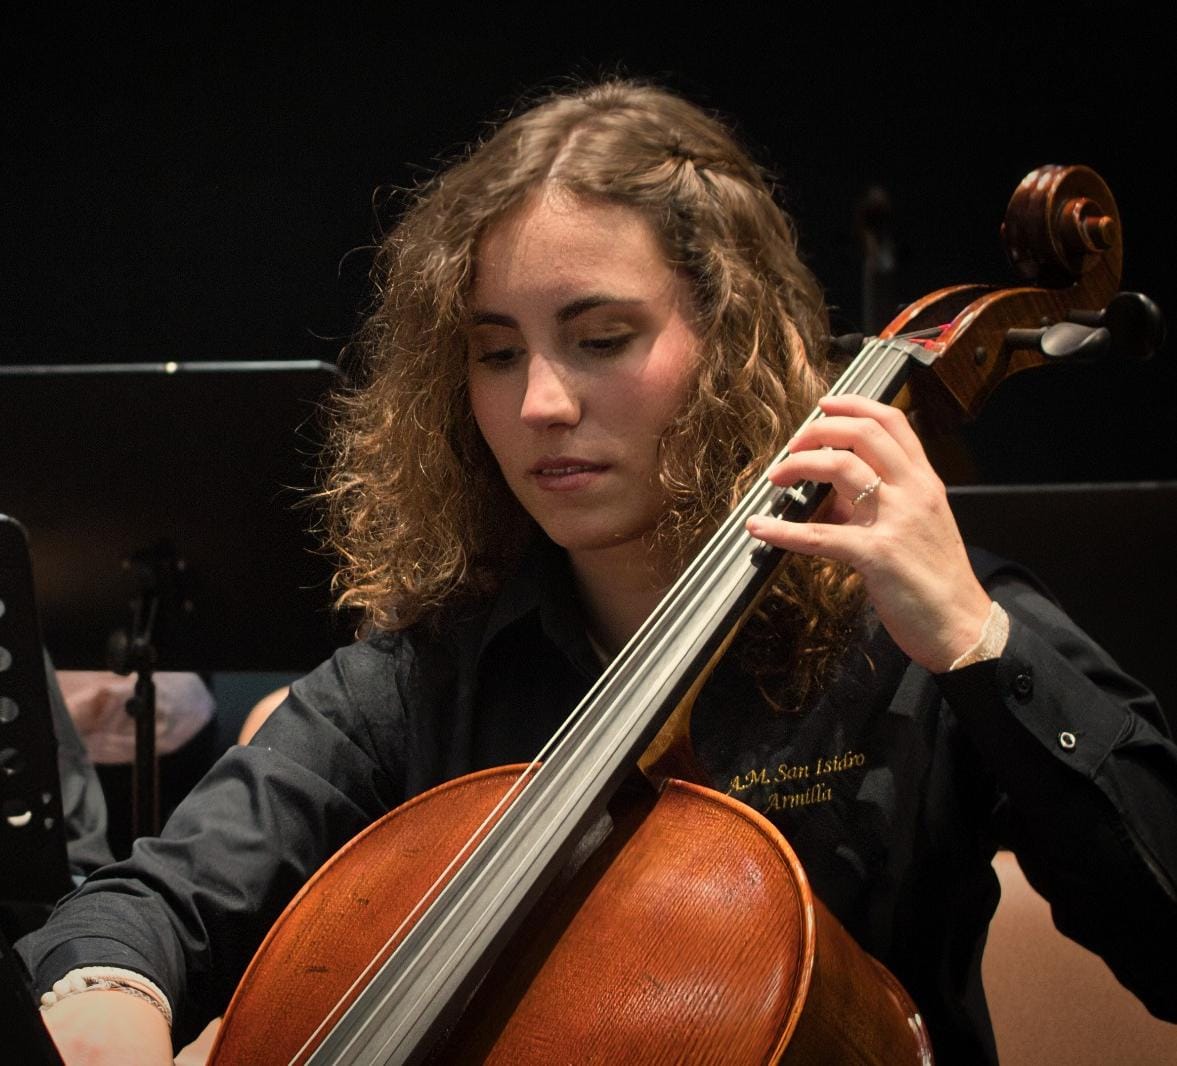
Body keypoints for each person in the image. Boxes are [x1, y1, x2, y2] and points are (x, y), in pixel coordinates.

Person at [18, 79, 1177, 1064]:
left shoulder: (912, 633)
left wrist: (980, 649)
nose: (541, 404)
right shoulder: (427, 675)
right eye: (495, 352)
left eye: (601, 338)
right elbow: (149, 902)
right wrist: (104, 995)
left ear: (729, 338)